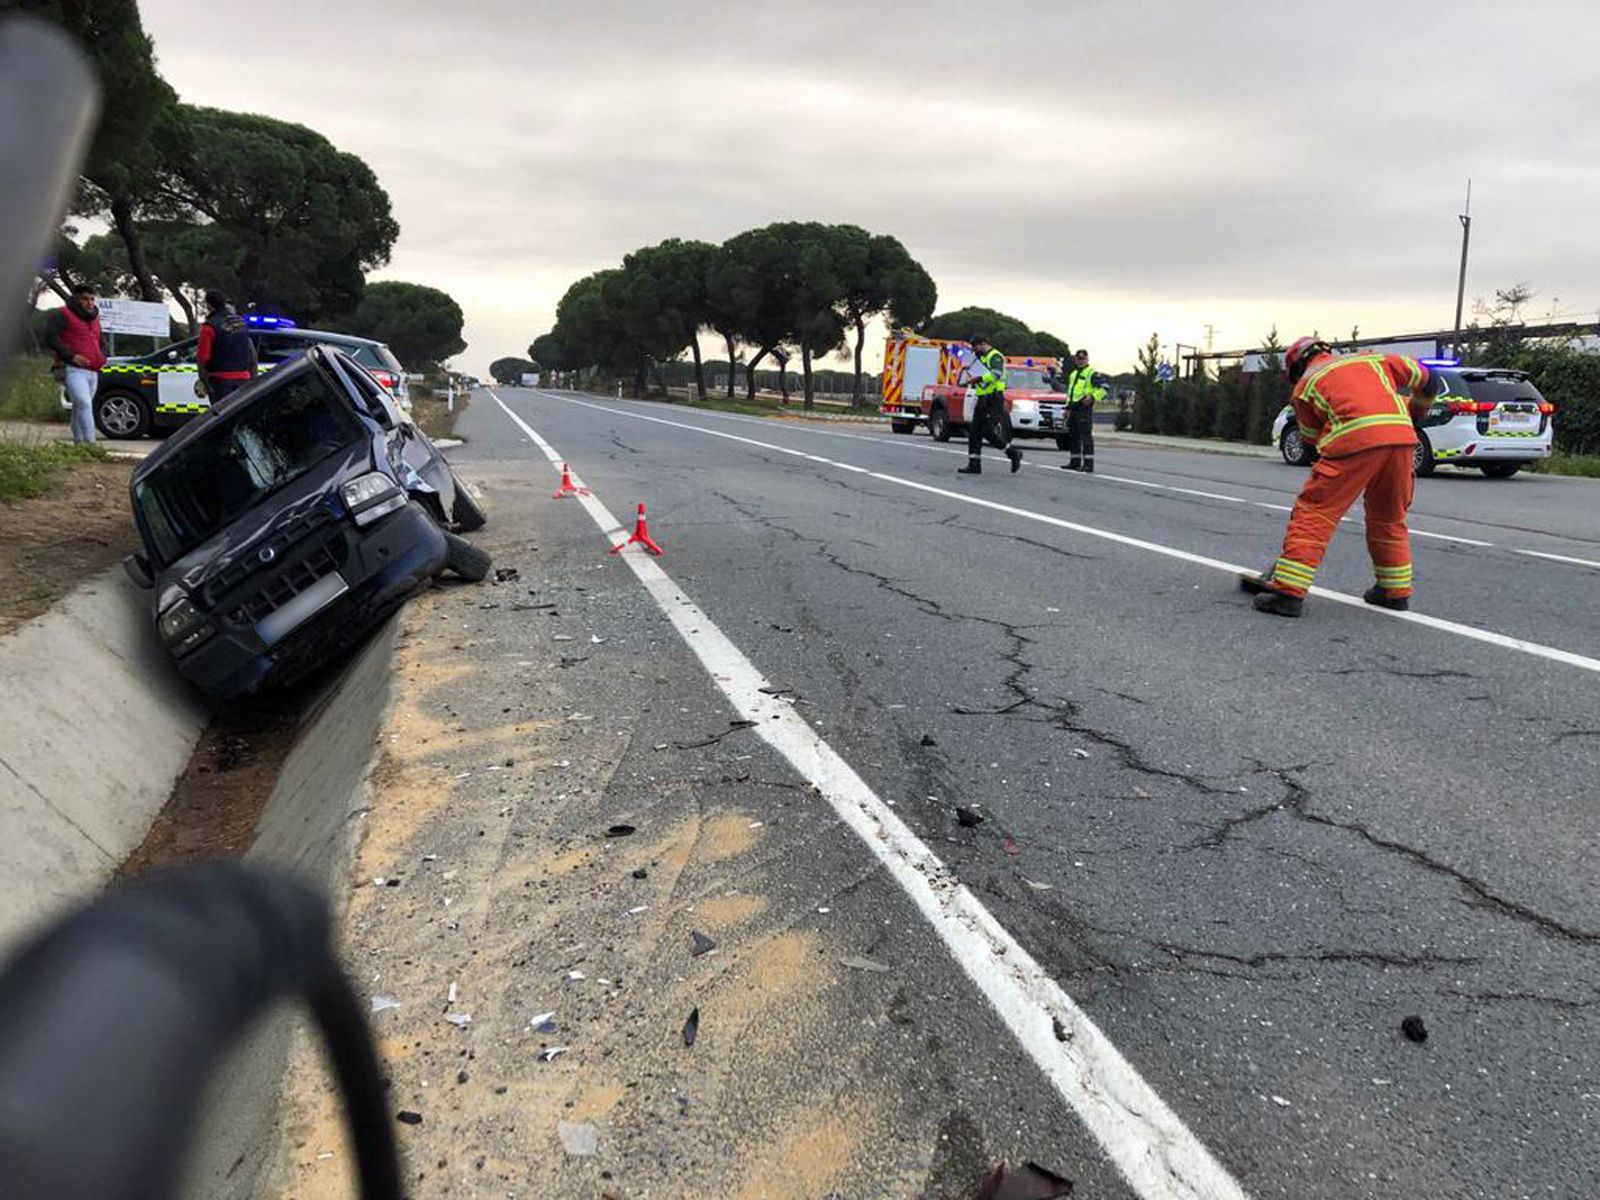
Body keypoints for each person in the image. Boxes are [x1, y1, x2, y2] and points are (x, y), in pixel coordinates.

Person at [1241, 337, 1441, 618]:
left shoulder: (1305, 385)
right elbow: (1430, 379)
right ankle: (1393, 592)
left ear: (1297, 367)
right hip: (1402, 439)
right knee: (1388, 516)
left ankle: (1288, 591)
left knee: (1315, 513)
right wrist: (1416, 413)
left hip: (1354, 441)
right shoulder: (1372, 359)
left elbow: (1310, 442)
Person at [44, 283, 106, 445]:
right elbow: (51, 337)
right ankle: (90, 444)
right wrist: (70, 356)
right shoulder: (62, 314)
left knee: (81, 406)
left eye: (92, 299)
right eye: (85, 299)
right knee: (83, 403)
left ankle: (79, 443)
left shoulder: (94, 318)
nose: (90, 303)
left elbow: (100, 339)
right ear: (75, 299)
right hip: (72, 368)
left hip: (93, 369)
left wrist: (103, 356)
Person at [956, 334, 1022, 476]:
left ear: (983, 343)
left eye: (975, 347)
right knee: (974, 432)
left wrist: (978, 378)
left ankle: (1013, 453)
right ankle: (974, 464)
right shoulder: (981, 358)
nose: (974, 351)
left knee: (988, 432)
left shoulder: (995, 356)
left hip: (993, 399)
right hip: (982, 398)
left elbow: (996, 374)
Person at [196, 290, 257, 403]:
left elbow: (202, 357)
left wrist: (203, 380)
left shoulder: (209, 326)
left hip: (220, 381)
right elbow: (252, 353)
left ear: (208, 305)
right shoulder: (241, 323)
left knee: (222, 415)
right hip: (244, 378)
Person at [1059, 348, 1106, 472]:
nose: (1080, 361)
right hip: (1073, 408)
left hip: (1084, 408)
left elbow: (1104, 388)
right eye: (1078, 359)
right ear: (1075, 359)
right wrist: (1067, 408)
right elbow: (1071, 393)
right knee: (1073, 436)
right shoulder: (1073, 374)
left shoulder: (1092, 373)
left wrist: (1092, 397)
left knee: (1085, 436)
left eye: (1083, 359)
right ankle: (1074, 461)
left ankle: (1088, 464)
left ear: (1087, 359)